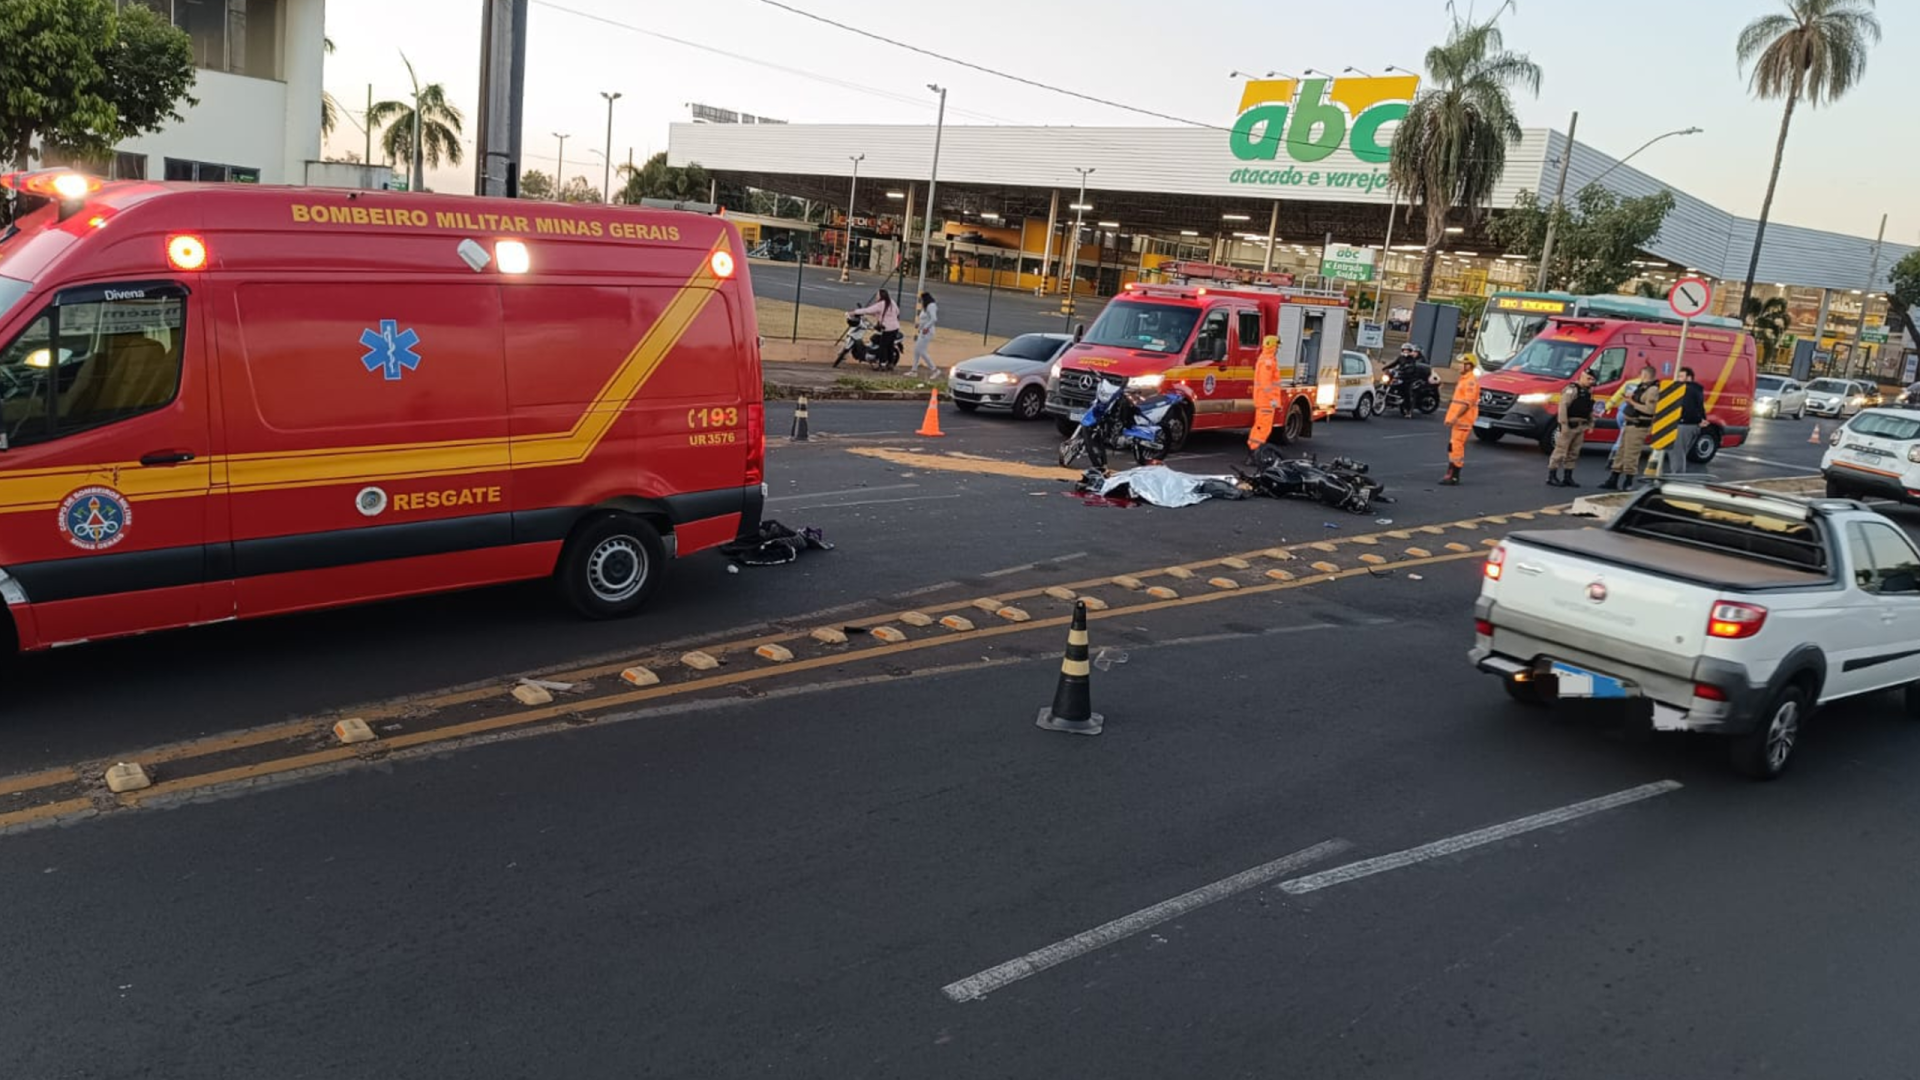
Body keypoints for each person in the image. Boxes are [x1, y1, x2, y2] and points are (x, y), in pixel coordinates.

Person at [1603, 363, 1660, 490]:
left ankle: (1628, 482)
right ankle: (1613, 479)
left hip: (1638, 425)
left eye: (1641, 374)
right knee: (1621, 453)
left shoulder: (1652, 390)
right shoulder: (1642, 387)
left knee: (1631, 455)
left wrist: (1632, 403)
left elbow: (1650, 409)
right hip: (1629, 424)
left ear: (1645, 375)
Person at [1547, 367, 1597, 487]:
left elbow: (1589, 409)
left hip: (1580, 426)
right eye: (1588, 378)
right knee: (1560, 451)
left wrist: (1591, 424)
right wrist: (1563, 424)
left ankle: (1568, 477)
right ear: (1582, 377)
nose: (1591, 381)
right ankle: (1552, 476)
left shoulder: (1588, 392)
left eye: (1592, 379)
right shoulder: (1572, 389)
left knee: (1574, 453)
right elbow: (1563, 407)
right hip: (1569, 425)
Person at [1441, 357, 1479, 485]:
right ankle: (1452, 473)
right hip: (1459, 420)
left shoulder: (1470, 382)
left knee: (1456, 446)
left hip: (1463, 420)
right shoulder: (1465, 380)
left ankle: (1453, 474)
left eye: (1461, 364)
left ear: (1469, 366)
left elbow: (1467, 403)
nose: (1458, 366)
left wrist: (1455, 417)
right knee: (1454, 446)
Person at [1663, 366, 1706, 475]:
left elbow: (1688, 408)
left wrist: (1681, 419)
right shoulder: (1696, 389)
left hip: (1684, 424)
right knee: (1679, 452)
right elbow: (1700, 407)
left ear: (1689, 377)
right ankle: (1676, 475)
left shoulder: (1686, 390)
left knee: (1677, 453)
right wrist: (1701, 419)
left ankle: (1676, 478)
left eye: (1681, 376)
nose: (1678, 378)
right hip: (1691, 425)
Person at [1247, 334, 1284, 455]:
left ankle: (1253, 451)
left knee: (1259, 426)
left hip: (1263, 401)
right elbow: (1266, 384)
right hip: (1266, 402)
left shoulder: (1265, 359)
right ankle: (1255, 452)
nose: (1278, 349)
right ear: (1273, 347)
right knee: (1263, 428)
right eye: (1277, 346)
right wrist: (1273, 400)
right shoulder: (1268, 362)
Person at [847, 289, 901, 369]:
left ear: (881, 296)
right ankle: (890, 364)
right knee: (889, 346)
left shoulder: (880, 304)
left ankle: (882, 365)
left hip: (887, 329)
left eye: (877, 295)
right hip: (895, 328)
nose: (876, 297)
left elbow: (867, 310)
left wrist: (854, 312)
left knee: (883, 347)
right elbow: (897, 312)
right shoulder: (891, 302)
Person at [909, 291, 940, 379]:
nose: (921, 302)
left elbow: (934, 319)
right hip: (923, 330)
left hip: (927, 331)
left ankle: (934, 370)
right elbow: (925, 318)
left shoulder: (931, 306)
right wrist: (919, 325)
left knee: (922, 351)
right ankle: (914, 370)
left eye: (921, 300)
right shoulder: (926, 307)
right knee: (916, 350)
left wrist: (926, 327)